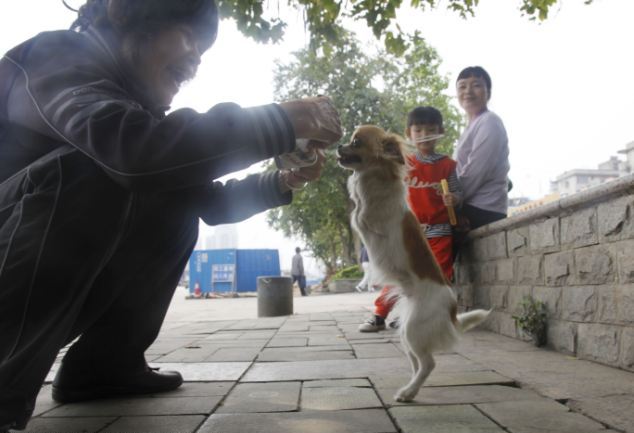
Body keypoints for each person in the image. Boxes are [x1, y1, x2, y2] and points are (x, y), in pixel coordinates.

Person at [0, 1, 342, 430]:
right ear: (127, 13)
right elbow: (133, 152)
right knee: (105, 167)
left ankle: (106, 366)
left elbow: (208, 203)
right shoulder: (55, 58)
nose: (197, 58)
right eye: (191, 37)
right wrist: (279, 120)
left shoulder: (131, 111)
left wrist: (284, 180)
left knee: (165, 184)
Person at [358, 106, 461, 332]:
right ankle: (379, 315)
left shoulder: (448, 166)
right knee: (398, 272)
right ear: (409, 133)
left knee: (438, 276)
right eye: (419, 130)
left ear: (440, 131)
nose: (425, 135)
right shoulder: (402, 163)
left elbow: (457, 193)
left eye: (431, 130)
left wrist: (453, 198)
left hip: (439, 231)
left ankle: (425, 316)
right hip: (409, 231)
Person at [454, 66, 510, 230]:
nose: (468, 91)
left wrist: (453, 201)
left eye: (476, 85)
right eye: (462, 86)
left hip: (483, 209)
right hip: (471, 205)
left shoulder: (490, 122)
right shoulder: (472, 126)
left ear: (488, 92)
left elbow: (476, 171)